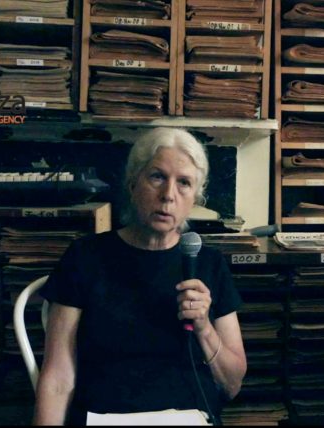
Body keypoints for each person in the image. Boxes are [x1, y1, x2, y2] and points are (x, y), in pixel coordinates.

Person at [33, 127, 247, 425]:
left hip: (186, 416)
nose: (168, 195)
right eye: (157, 177)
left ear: (195, 198)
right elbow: (58, 378)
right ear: (133, 183)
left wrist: (204, 328)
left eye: (184, 183)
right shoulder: (85, 257)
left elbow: (232, 385)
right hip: (105, 417)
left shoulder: (208, 264)